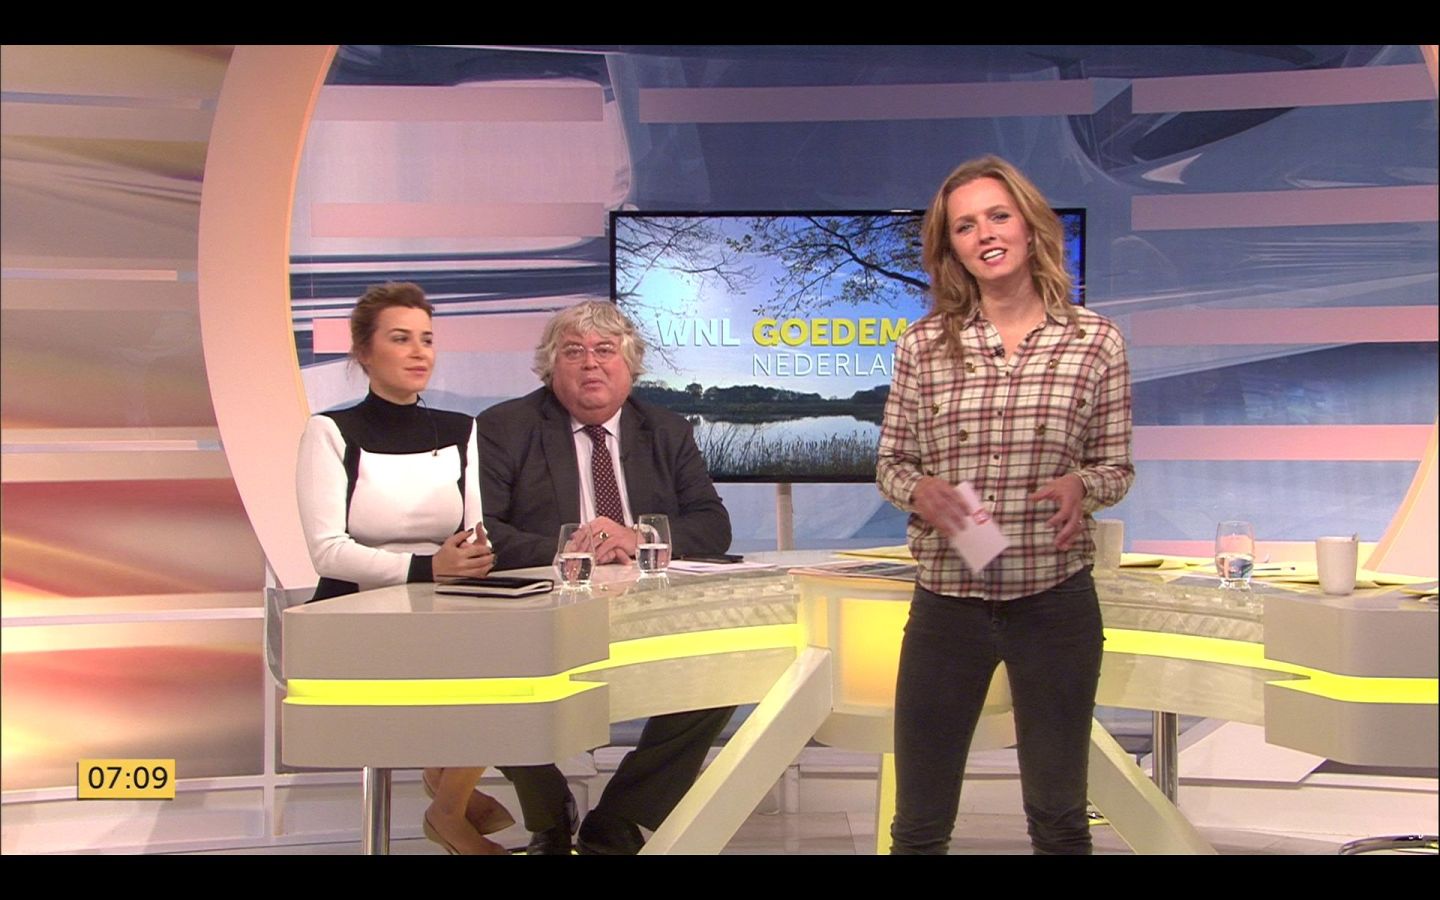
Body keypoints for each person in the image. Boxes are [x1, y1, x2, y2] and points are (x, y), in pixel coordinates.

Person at [876, 157, 1134, 854]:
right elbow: (891, 463)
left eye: (997, 216)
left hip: (1054, 604)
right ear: (952, 248)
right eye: (965, 226)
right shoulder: (924, 345)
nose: (985, 234)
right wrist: (919, 490)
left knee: (1059, 818)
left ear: (1029, 225)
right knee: (918, 825)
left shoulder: (1095, 341)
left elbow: (1117, 466)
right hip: (947, 605)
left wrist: (1084, 486)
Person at [477, 300, 733, 854]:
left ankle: (620, 820)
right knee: (480, 667)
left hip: (649, 612)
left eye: (604, 350)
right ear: (551, 366)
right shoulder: (504, 427)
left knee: (724, 668)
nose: (590, 363)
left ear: (629, 365)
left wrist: (638, 538)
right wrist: (573, 550)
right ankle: (548, 812)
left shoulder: (665, 430)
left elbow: (714, 526)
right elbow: (483, 530)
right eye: (574, 351)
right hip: (545, 613)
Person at [296, 282, 513, 856]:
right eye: (400, 339)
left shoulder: (461, 429)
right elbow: (327, 551)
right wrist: (427, 567)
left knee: (518, 658)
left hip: (442, 605)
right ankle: (448, 794)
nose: (419, 352)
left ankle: (447, 804)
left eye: (427, 339)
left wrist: (470, 559)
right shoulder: (330, 432)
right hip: (354, 612)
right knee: (466, 667)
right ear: (363, 352)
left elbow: (474, 532)